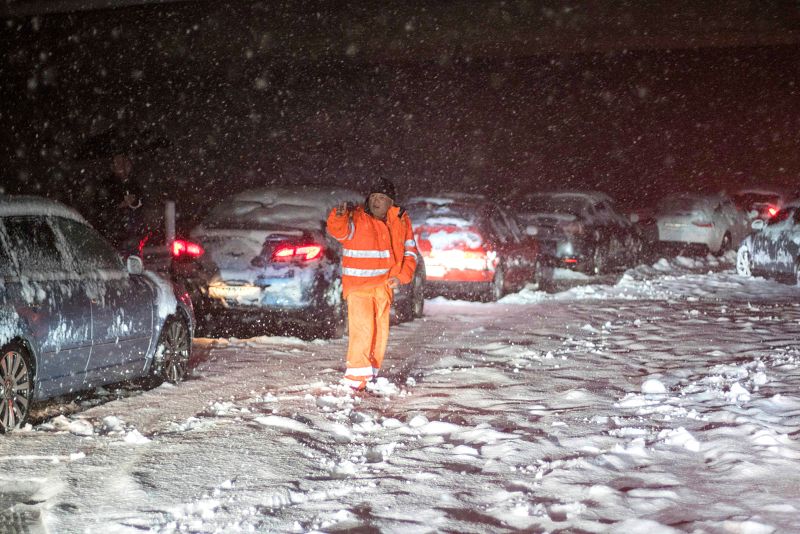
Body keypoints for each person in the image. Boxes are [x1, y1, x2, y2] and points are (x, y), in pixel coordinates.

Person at [326, 178, 419, 391]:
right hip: (359, 286)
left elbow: (410, 251)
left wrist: (403, 275)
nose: (376, 201)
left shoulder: (400, 220)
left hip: (384, 285)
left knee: (379, 332)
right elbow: (340, 231)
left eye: (382, 198)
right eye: (374, 197)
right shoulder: (357, 218)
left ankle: (370, 374)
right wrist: (337, 217)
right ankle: (355, 380)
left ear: (391, 202)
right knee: (363, 330)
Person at [95, 153, 146, 253]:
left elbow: (141, 201)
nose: (122, 166)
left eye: (125, 163)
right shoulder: (107, 185)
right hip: (113, 233)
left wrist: (134, 202)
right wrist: (120, 204)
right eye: (118, 163)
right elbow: (101, 205)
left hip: (132, 233)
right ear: (113, 167)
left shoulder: (134, 183)